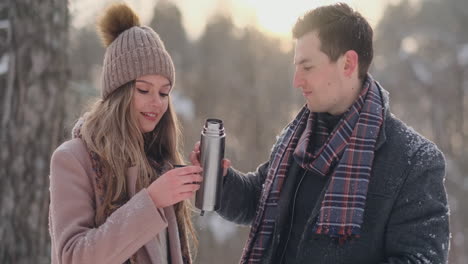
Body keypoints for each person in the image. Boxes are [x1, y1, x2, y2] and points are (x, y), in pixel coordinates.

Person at [190, 3, 449, 264]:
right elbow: (259, 198)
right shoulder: (298, 137)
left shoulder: (414, 161)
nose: (296, 80)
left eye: (308, 67)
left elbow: (420, 260)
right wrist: (219, 180)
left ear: (348, 63)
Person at [48, 3, 202, 264]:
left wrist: (198, 180)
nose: (157, 102)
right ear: (118, 94)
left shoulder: (160, 162)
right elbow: (72, 256)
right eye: (144, 90)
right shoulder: (72, 159)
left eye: (164, 92)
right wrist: (151, 202)